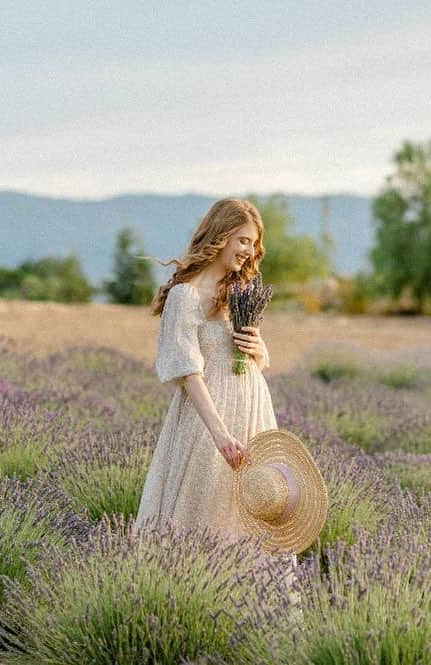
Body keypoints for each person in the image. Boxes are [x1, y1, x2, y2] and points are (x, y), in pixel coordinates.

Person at [132, 198, 301, 619]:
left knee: (252, 508)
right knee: (203, 507)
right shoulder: (185, 297)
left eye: (254, 243)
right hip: (209, 419)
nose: (248, 250)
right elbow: (187, 373)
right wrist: (220, 433)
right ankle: (187, 609)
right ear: (221, 235)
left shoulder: (239, 293)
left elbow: (255, 359)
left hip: (254, 411)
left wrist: (260, 348)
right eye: (243, 239)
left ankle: (252, 612)